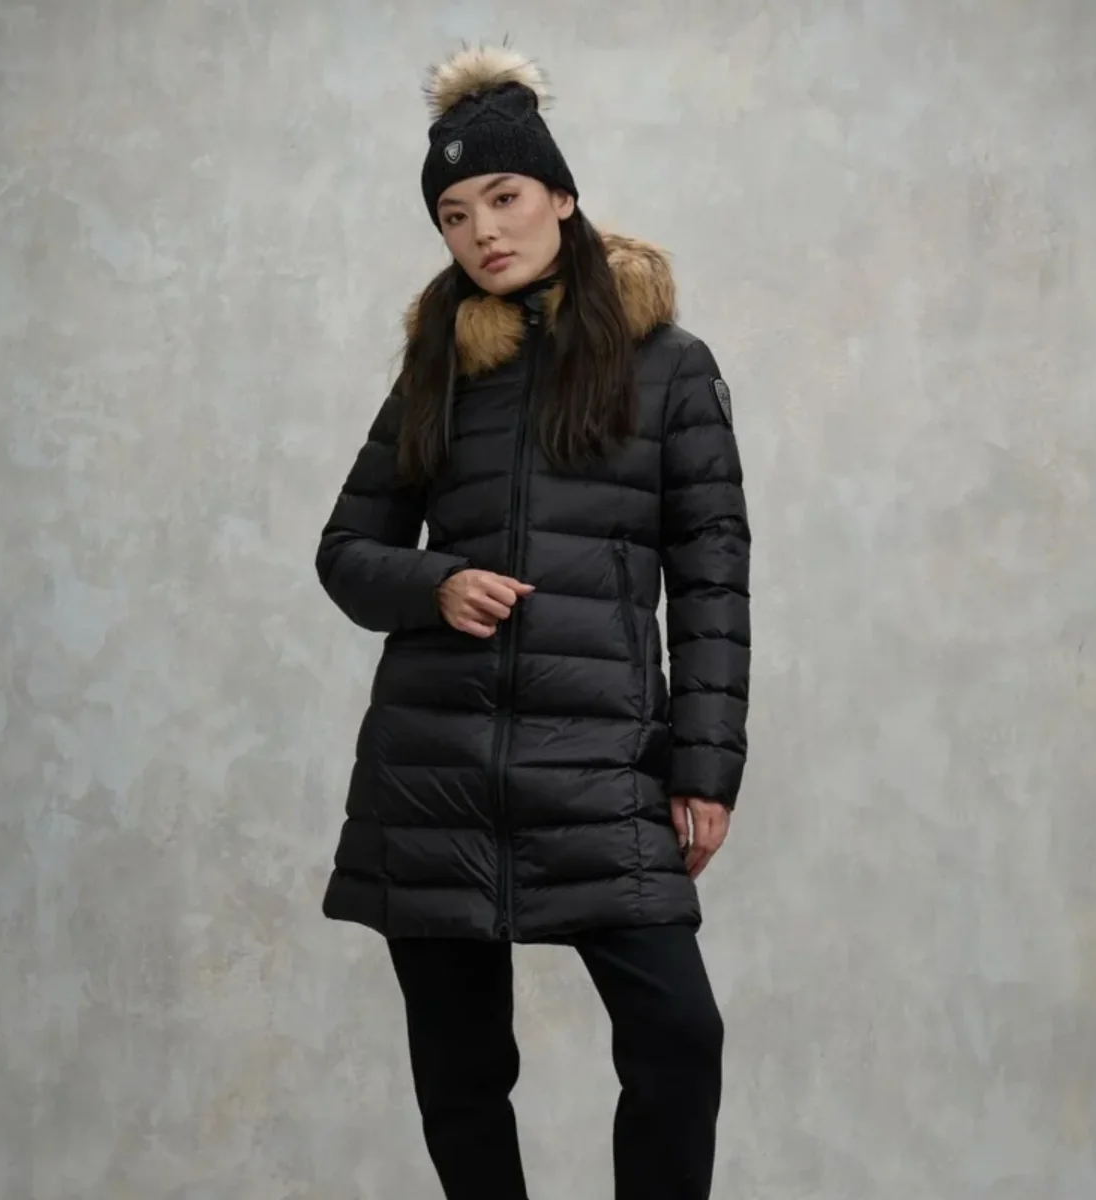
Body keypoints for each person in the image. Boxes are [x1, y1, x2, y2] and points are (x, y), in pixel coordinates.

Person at [316, 44, 751, 1200]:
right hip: (435, 767)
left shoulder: (669, 370)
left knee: (679, 1037)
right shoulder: (436, 370)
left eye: (503, 197)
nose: (483, 232)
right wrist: (435, 585)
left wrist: (705, 769)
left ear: (560, 194)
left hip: (597, 765)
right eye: (454, 215)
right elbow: (345, 552)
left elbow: (712, 576)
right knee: (461, 1072)